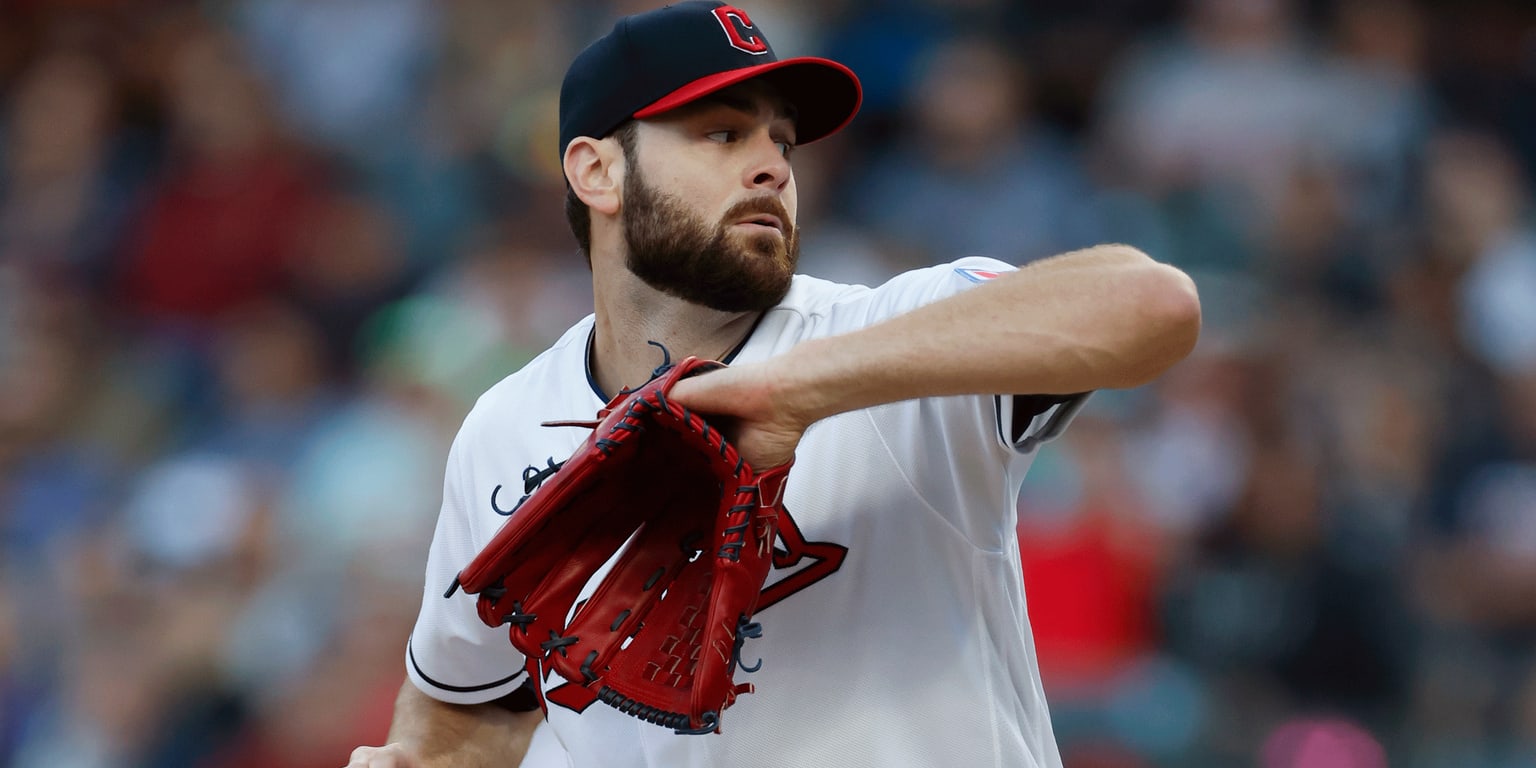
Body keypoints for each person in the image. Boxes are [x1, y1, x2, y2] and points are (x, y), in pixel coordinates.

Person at [344, 2, 1201, 767]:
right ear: (595, 172)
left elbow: (1149, 304)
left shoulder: (896, 336)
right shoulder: (506, 424)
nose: (774, 168)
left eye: (781, 143)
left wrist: (792, 391)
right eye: (723, 134)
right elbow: (468, 704)